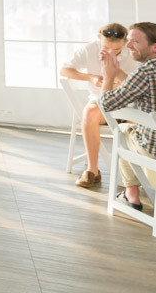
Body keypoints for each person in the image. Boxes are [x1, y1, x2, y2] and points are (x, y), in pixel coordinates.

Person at [99, 22, 156, 210]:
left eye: (135, 41)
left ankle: (131, 193)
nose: (128, 45)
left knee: (122, 130)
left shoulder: (145, 73)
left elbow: (107, 103)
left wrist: (109, 77)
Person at [60, 23, 139, 188]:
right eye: (106, 47)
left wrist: (116, 80)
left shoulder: (134, 52)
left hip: (129, 103)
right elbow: (64, 71)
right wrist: (90, 78)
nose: (111, 52)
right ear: (99, 40)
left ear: (125, 43)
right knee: (89, 112)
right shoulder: (90, 49)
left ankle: (134, 176)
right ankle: (92, 170)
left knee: (138, 121)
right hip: (100, 103)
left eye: (116, 50)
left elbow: (138, 85)